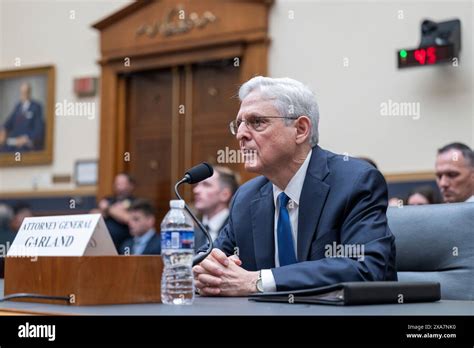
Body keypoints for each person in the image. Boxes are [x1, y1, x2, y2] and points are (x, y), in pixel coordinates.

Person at [193, 76, 397, 296]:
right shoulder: (246, 196)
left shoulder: (355, 182)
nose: (241, 134)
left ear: (300, 129)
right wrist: (209, 269)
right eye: (239, 124)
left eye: (257, 122)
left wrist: (259, 280)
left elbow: (366, 268)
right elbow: (213, 260)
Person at [193, 166, 239, 251]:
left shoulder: (237, 228)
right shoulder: (193, 229)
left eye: (206, 185)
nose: (196, 190)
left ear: (225, 194)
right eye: (197, 185)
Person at [93, 173, 136, 250]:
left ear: (131, 185)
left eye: (122, 184)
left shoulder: (135, 202)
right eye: (117, 183)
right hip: (103, 241)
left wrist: (108, 209)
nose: (119, 186)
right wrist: (115, 211)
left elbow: (127, 218)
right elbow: (94, 215)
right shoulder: (108, 199)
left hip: (124, 243)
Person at [0, 83, 45, 152]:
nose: (23, 95)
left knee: (19, 155)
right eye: (22, 92)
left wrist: (26, 138)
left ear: (29, 92)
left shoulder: (36, 107)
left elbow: (39, 129)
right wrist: (3, 130)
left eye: (25, 92)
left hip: (27, 143)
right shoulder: (18, 107)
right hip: (14, 141)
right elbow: (8, 123)